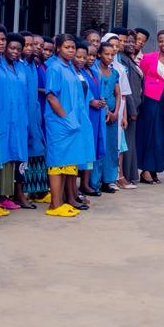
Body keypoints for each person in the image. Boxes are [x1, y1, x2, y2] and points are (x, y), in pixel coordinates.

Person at [43, 34, 90, 218]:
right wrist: (65, 117)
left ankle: (61, 201)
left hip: (72, 123)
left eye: (72, 47)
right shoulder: (55, 68)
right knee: (57, 162)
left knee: (66, 162)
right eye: (67, 47)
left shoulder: (69, 66)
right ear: (58, 48)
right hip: (60, 123)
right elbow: (51, 96)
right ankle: (54, 205)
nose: (71, 50)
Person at [0, 30, 31, 211]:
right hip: (3, 117)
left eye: (18, 49)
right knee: (2, 156)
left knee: (19, 157)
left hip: (20, 118)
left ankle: (14, 194)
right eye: (12, 48)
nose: (15, 52)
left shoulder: (21, 67)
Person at [137, 29, 164, 183]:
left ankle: (154, 169)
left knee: (160, 136)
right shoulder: (148, 58)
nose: (163, 43)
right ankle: (145, 169)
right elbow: (141, 76)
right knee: (148, 133)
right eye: (161, 41)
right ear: (157, 42)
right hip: (150, 100)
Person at [20, 32, 49, 202]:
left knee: (38, 149)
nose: (32, 48)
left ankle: (37, 190)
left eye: (35, 45)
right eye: (28, 45)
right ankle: (23, 193)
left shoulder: (33, 65)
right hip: (24, 115)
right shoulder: (19, 65)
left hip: (35, 114)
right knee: (27, 151)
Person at [93, 41, 122, 193]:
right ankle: (94, 181)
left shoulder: (114, 72)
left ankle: (108, 180)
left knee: (111, 148)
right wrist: (106, 112)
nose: (110, 57)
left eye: (112, 54)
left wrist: (116, 112)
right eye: (107, 54)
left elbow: (118, 94)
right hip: (100, 115)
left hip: (112, 116)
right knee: (100, 147)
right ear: (99, 54)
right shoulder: (94, 70)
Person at [77, 45, 105, 198]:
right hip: (86, 113)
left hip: (95, 115)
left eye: (94, 56)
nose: (91, 58)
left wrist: (101, 100)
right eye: (89, 55)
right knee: (82, 147)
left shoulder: (94, 72)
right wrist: (91, 102)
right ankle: (77, 185)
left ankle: (86, 183)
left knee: (91, 147)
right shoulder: (78, 72)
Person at [118, 31, 144, 188]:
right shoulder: (121, 60)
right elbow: (126, 89)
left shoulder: (130, 59)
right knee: (126, 143)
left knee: (130, 142)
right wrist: (132, 110)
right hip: (128, 109)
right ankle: (125, 175)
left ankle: (130, 174)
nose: (131, 44)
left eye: (133, 41)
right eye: (127, 41)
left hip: (136, 106)